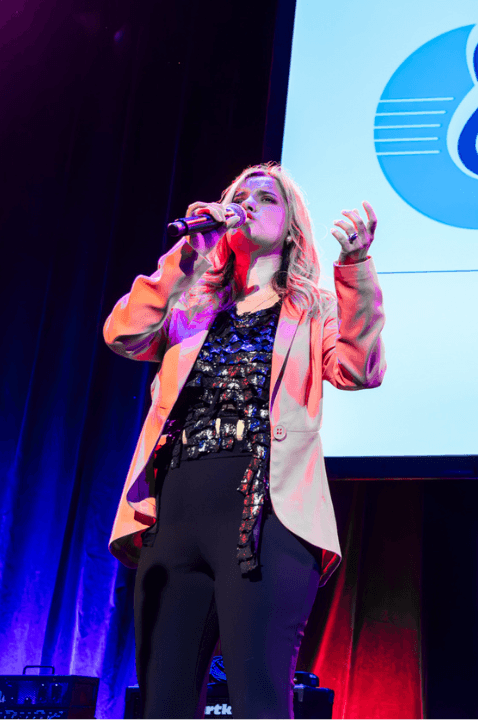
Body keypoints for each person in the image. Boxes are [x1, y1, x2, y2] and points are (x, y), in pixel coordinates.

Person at [103, 162, 386, 719]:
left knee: (258, 695)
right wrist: (185, 257)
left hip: (266, 515)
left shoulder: (314, 309)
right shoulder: (190, 302)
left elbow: (359, 368)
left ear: (290, 228)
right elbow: (123, 334)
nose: (249, 203)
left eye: (266, 197)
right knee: (164, 701)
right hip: (174, 510)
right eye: (239, 195)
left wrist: (355, 267)